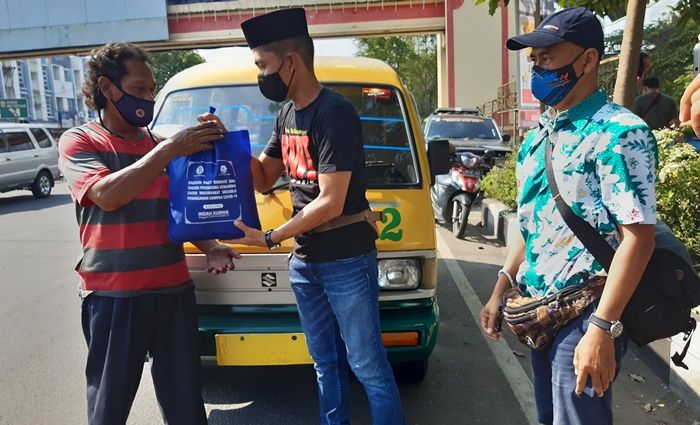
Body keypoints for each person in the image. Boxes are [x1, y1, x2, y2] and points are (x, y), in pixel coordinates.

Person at [198, 8, 406, 425]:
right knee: (324, 363)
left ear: (291, 62)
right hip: (306, 261)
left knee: (366, 365)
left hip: (346, 258)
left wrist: (271, 238)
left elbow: (330, 201)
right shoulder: (286, 115)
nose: (261, 76)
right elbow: (263, 179)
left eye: (263, 65)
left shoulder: (335, 113)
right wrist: (225, 142)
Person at [480, 8, 657, 425]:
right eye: (535, 62)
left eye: (548, 58)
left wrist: (602, 328)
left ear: (588, 60)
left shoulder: (619, 133)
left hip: (586, 312)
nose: (538, 70)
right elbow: (532, 221)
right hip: (540, 310)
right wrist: (501, 287)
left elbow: (638, 239)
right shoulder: (541, 133)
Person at [58, 43, 240, 425]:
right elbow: (107, 195)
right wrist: (167, 151)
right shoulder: (81, 141)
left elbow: (180, 211)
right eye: (139, 89)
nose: (148, 98)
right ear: (107, 88)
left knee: (186, 404)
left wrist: (211, 246)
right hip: (114, 297)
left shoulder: (158, 146)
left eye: (151, 89)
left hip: (172, 292)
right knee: (109, 407)